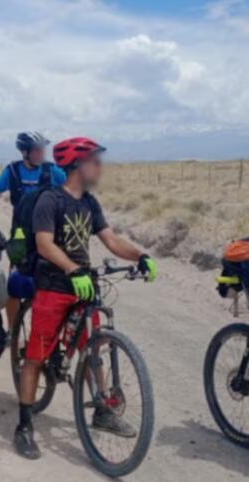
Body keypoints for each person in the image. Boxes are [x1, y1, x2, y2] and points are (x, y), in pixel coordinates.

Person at [13, 137, 157, 460]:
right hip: (52, 287)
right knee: (35, 357)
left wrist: (140, 256)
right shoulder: (50, 201)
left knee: (95, 350)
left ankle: (102, 410)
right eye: (95, 160)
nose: (100, 166)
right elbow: (45, 244)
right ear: (77, 164)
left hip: (82, 289)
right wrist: (73, 270)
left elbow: (111, 240)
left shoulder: (90, 203)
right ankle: (23, 426)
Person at [0, 132, 67, 325]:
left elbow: (73, 191)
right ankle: (13, 329)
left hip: (48, 233)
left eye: (43, 149)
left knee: (50, 283)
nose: (42, 153)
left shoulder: (52, 171)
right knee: (15, 283)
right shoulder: (12, 171)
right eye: (37, 150)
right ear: (25, 152)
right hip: (21, 235)